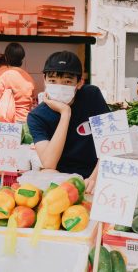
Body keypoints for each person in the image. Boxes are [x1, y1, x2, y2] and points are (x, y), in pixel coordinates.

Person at [27, 51, 110, 193]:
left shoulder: (92, 96)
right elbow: (48, 162)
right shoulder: (37, 116)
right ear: (44, 80)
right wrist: (65, 113)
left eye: (67, 81)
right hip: (61, 179)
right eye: (52, 81)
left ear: (79, 83)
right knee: (46, 172)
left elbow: (112, 142)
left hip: (96, 172)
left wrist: (94, 178)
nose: (59, 86)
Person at [0, 42, 35, 123]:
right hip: (26, 121)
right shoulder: (29, 77)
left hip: (10, 123)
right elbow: (32, 102)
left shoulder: (6, 75)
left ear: (6, 58)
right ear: (21, 59)